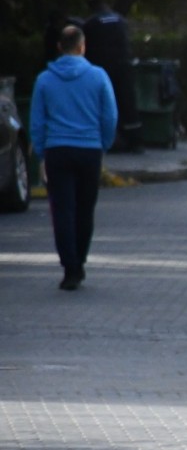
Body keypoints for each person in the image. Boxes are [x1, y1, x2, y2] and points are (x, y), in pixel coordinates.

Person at [28, 25, 118, 291]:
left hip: (58, 150)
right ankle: (80, 259)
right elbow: (110, 116)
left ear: (59, 48)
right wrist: (103, 144)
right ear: (82, 46)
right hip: (89, 149)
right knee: (84, 209)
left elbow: (37, 121)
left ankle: (70, 267)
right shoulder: (99, 76)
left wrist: (43, 150)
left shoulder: (45, 79)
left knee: (62, 210)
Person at [83, 0, 142, 154]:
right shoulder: (120, 20)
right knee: (128, 103)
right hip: (124, 66)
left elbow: (87, 49)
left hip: (104, 68)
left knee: (106, 103)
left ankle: (109, 141)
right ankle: (134, 141)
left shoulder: (91, 23)